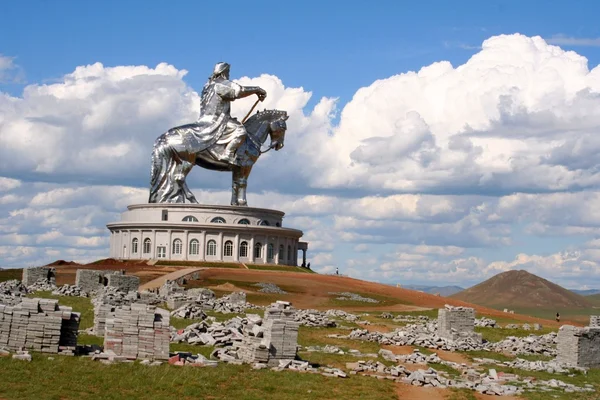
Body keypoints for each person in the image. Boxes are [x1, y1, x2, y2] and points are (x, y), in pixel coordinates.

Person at [198, 62, 267, 164]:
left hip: (203, 119)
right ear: (224, 71)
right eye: (228, 71)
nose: (228, 73)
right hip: (217, 119)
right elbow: (239, 91)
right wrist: (257, 89)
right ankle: (228, 154)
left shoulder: (207, 85)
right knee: (240, 130)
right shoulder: (223, 83)